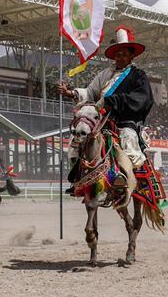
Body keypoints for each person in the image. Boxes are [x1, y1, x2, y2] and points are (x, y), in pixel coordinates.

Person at [58, 26, 155, 187]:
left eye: (124, 54)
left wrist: (113, 101)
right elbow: (90, 92)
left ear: (131, 55)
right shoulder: (105, 74)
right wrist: (71, 93)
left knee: (128, 138)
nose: (120, 57)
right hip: (101, 119)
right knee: (77, 136)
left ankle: (134, 179)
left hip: (124, 120)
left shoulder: (138, 76)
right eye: (118, 54)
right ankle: (77, 174)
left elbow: (142, 99)